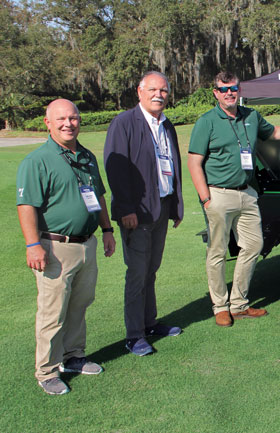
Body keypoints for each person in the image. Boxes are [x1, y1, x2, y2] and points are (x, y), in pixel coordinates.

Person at [188, 71, 280, 327]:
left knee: (253, 246)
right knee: (217, 252)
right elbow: (194, 162)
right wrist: (206, 198)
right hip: (218, 194)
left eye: (233, 88)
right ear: (215, 93)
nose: (229, 93)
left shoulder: (251, 116)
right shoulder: (206, 121)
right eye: (223, 89)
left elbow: (274, 132)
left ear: (239, 90)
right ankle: (220, 306)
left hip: (248, 193)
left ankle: (239, 304)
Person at [17, 99, 116, 395]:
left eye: (73, 118)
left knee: (79, 304)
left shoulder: (86, 156)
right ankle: (47, 371)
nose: (68, 124)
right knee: (53, 311)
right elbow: (27, 206)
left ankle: (73, 357)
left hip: (87, 244)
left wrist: (108, 229)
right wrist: (33, 244)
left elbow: (96, 197)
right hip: (54, 246)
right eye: (61, 119)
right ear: (47, 122)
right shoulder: (38, 160)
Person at [104, 71, 184, 356]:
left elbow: (172, 165)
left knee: (151, 270)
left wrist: (175, 204)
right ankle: (134, 335)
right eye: (152, 90)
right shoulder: (124, 123)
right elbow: (115, 170)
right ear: (139, 92)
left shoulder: (166, 125)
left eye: (163, 90)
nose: (158, 95)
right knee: (137, 273)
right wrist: (126, 208)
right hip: (136, 213)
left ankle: (150, 323)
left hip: (161, 207)